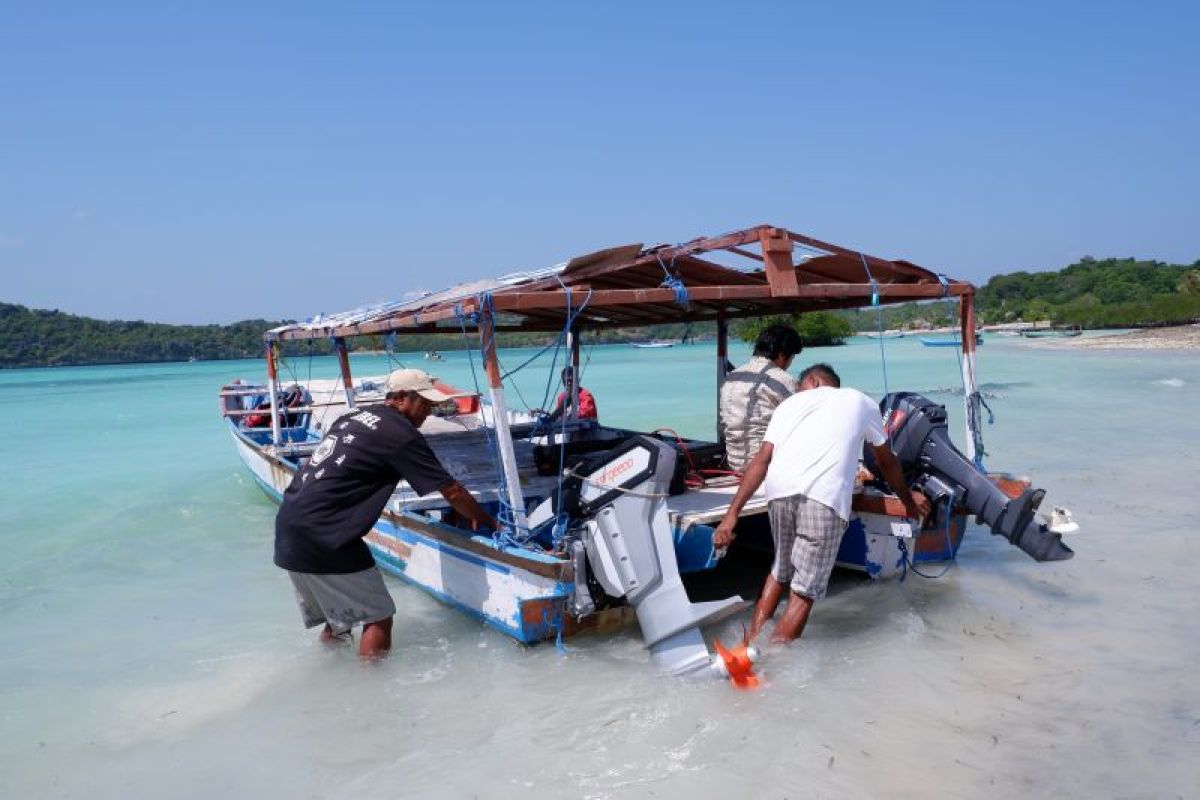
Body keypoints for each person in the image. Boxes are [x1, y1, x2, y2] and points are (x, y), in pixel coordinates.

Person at [274, 368, 500, 659]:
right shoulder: (400, 434)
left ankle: (331, 683)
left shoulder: (352, 417)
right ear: (403, 398)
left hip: (290, 526)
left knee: (339, 620)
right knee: (379, 616)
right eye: (425, 404)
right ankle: (374, 694)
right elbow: (452, 491)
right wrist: (486, 520)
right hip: (327, 535)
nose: (428, 413)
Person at [712, 363, 930, 645]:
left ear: (813, 382)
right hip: (823, 497)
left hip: (778, 492)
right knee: (804, 590)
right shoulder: (859, 400)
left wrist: (732, 516)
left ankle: (749, 645)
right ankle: (771, 664)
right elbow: (886, 461)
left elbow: (762, 460)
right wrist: (908, 503)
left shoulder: (788, 407)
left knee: (780, 570)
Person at [719, 324, 803, 472]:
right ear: (783, 354)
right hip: (765, 467)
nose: (790, 363)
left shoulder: (731, 378)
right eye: (792, 357)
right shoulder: (783, 380)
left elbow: (723, 425)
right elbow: (801, 422)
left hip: (734, 463)